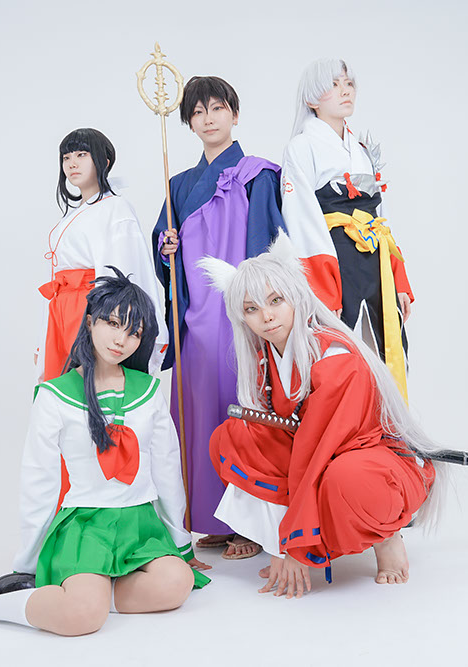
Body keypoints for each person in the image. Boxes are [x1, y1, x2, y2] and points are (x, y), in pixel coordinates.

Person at [0, 269, 209, 635]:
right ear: (90, 322)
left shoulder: (148, 392)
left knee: (177, 584)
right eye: (113, 324)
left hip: (140, 527)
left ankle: (93, 594)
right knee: (83, 618)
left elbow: (166, 470)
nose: (121, 340)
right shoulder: (54, 396)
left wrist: (181, 544)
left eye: (134, 332)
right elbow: (40, 480)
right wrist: (27, 564)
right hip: (85, 527)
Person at [199, 234, 447, 599]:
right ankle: (287, 540)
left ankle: (387, 538)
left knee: (348, 479)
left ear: (296, 296)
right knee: (234, 436)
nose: (266, 316)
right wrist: (281, 546)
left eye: (276, 300)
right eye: (251, 309)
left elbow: (316, 449)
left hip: (367, 458)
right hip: (314, 452)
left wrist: (295, 547)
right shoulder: (267, 357)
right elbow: (293, 443)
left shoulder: (334, 359)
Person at [151, 76, 286, 558]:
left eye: (217, 108)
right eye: (197, 112)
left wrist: (258, 310)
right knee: (199, 414)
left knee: (245, 410)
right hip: (195, 319)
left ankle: (251, 524)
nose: (208, 118)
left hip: (238, 314)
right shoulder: (179, 185)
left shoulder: (257, 175)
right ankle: (214, 518)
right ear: (189, 122)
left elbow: (266, 248)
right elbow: (164, 254)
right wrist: (166, 247)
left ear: (234, 114)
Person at [280, 59, 414, 401]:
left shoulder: (362, 151)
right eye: (334, 84)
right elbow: (302, 221)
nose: (345, 91)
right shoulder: (301, 147)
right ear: (311, 99)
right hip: (336, 264)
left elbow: (380, 219)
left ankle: (387, 428)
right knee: (338, 355)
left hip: (376, 262)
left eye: (349, 83)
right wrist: (323, 288)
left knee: (386, 350)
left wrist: (398, 278)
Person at [37, 128, 167, 383]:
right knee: (60, 389)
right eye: (66, 157)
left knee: (90, 386)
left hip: (88, 309)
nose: (72, 163)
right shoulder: (74, 214)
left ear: (104, 161)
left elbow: (120, 275)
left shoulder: (115, 208)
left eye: (81, 155)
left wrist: (112, 325)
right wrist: (42, 340)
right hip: (61, 311)